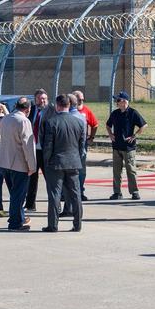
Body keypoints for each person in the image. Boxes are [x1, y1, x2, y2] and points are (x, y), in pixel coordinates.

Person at [41, 94, 86, 232]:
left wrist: (46, 161)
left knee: (54, 194)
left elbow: (48, 146)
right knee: (75, 194)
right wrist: (77, 158)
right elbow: (81, 145)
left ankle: (53, 225)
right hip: (73, 162)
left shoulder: (51, 122)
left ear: (57, 105)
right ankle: (77, 224)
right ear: (69, 105)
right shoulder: (79, 122)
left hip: (56, 163)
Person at [0, 97, 36, 231]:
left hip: (4, 162)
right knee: (18, 195)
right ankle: (15, 223)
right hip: (18, 164)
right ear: (28, 109)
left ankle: (19, 217)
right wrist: (32, 166)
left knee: (14, 194)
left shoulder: (6, 119)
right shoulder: (24, 121)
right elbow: (28, 146)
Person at [106, 92, 145, 200]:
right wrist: (110, 134)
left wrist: (135, 135)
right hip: (116, 146)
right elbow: (108, 125)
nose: (116, 102)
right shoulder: (115, 113)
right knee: (116, 171)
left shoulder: (133, 113)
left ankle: (134, 192)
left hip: (128, 147)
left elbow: (143, 125)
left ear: (124, 101)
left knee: (131, 170)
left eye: (118, 100)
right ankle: (117, 192)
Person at [26, 89, 50, 212]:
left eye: (44, 98)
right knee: (31, 178)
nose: (43, 100)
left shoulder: (51, 111)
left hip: (45, 150)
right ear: (35, 99)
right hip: (33, 149)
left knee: (50, 179)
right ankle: (30, 204)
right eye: (40, 98)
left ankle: (54, 204)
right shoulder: (31, 110)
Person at [72, 90, 97, 201]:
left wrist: (91, 137)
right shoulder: (68, 110)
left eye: (82, 99)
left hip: (82, 144)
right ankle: (66, 192)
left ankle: (80, 191)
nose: (81, 101)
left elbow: (95, 124)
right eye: (79, 99)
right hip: (69, 144)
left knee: (81, 169)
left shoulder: (86, 111)